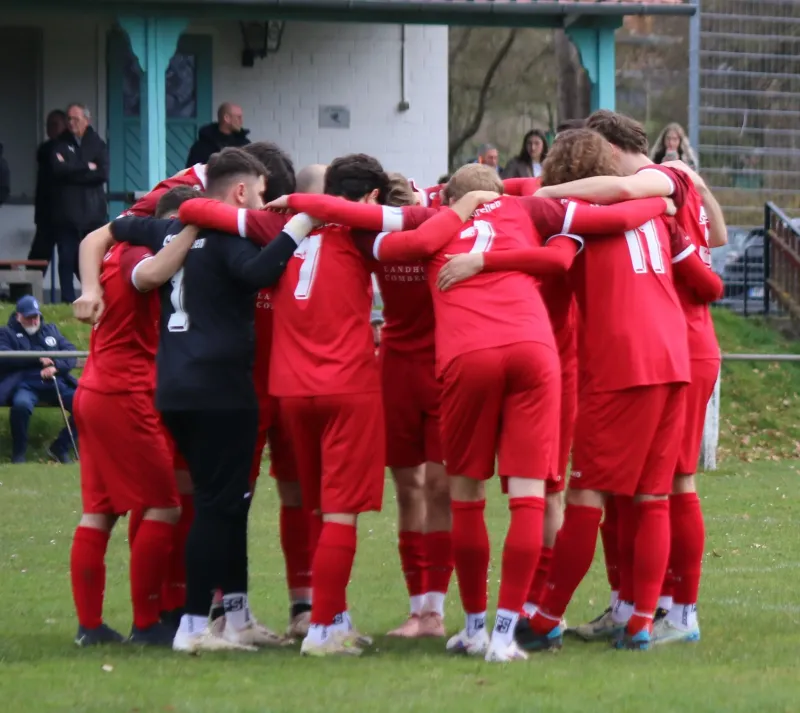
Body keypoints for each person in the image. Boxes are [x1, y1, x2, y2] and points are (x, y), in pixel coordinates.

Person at [270, 162, 674, 662]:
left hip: (463, 355)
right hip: (535, 351)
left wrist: (298, 204)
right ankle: (508, 631)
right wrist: (667, 197)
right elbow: (594, 231)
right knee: (532, 495)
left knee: (462, 495)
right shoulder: (528, 207)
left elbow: (390, 238)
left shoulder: (431, 221)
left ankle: (472, 624)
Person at [441, 129, 709, 653]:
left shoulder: (575, 216)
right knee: (653, 497)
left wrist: (488, 253)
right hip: (674, 356)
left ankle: (545, 619)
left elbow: (559, 260)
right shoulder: (651, 203)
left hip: (621, 363)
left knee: (586, 497)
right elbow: (683, 230)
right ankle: (640, 623)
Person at [75, 148, 315, 654]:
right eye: (261, 191)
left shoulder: (162, 234)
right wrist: (303, 223)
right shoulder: (230, 238)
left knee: (214, 505)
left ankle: (223, 617)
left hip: (172, 388)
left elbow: (109, 234)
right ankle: (188, 623)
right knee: (209, 506)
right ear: (242, 191)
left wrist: (91, 285)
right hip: (219, 390)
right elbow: (259, 272)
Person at [538, 110, 725, 645]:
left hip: (674, 343)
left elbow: (710, 279)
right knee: (633, 491)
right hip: (666, 340)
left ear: (607, 146)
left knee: (666, 484)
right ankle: (633, 607)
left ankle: (676, 611)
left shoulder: (662, 178)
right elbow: (717, 232)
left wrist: (539, 196)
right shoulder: (651, 196)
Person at [69, 187, 201, 648]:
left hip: (96, 388)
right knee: (164, 505)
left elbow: (93, 240)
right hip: (125, 393)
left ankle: (90, 627)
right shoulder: (139, 255)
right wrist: (194, 228)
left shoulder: (115, 249)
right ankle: (147, 624)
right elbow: (151, 276)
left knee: (100, 512)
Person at [0, 295, 79, 463]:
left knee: (85, 405)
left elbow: (70, 352)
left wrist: (56, 367)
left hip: (55, 383)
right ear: (18, 316)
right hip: (25, 385)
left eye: (36, 317)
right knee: (21, 406)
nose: (34, 322)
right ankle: (19, 453)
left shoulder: (51, 330)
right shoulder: (6, 333)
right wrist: (36, 359)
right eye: (29, 317)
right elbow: (5, 358)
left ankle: (60, 448)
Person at [51, 103, 108, 303]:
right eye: (69, 119)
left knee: (93, 259)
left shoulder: (97, 143)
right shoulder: (60, 143)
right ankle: (67, 300)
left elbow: (102, 174)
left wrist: (72, 168)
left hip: (93, 215)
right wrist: (86, 167)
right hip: (66, 215)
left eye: (75, 119)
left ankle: (96, 297)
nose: (71, 123)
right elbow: (58, 170)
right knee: (66, 258)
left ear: (87, 120)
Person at [29, 110, 68, 271]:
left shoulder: (71, 147)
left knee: (70, 256)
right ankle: (26, 292)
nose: (50, 129)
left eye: (54, 125)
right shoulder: (46, 150)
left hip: (66, 213)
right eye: (48, 125)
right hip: (46, 212)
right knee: (39, 255)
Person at [185, 102, 249, 167]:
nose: (241, 121)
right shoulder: (201, 147)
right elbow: (191, 173)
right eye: (238, 117)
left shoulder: (245, 145)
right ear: (227, 118)